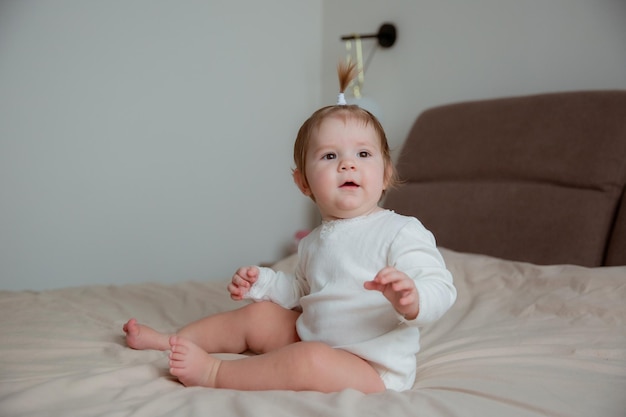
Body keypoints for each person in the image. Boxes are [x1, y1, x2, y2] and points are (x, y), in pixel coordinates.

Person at [123, 62, 456, 393]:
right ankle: (174, 339)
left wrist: (412, 298)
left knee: (308, 360)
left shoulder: (400, 230)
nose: (347, 163)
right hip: (313, 335)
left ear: (385, 173)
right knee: (260, 316)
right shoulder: (314, 241)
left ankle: (214, 373)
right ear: (304, 183)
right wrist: (265, 283)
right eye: (329, 156)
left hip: (371, 369)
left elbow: (440, 286)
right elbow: (302, 294)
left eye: (364, 153)